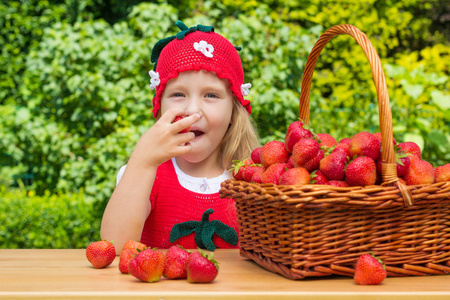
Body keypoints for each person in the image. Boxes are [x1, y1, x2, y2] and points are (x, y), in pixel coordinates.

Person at [100, 21, 260, 254]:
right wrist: (142, 161)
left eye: (211, 95)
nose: (192, 110)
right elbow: (113, 246)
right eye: (177, 94)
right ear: (160, 106)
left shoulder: (253, 178)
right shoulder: (145, 175)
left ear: (234, 111)